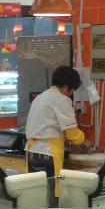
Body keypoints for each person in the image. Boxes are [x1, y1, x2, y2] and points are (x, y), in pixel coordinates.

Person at [24, 66, 89, 201]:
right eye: (72, 89)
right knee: (52, 196)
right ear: (65, 86)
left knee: (37, 197)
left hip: (31, 152)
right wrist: (84, 141)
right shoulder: (61, 99)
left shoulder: (42, 96)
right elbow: (72, 134)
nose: (71, 93)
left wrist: (65, 141)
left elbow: (47, 127)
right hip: (47, 155)